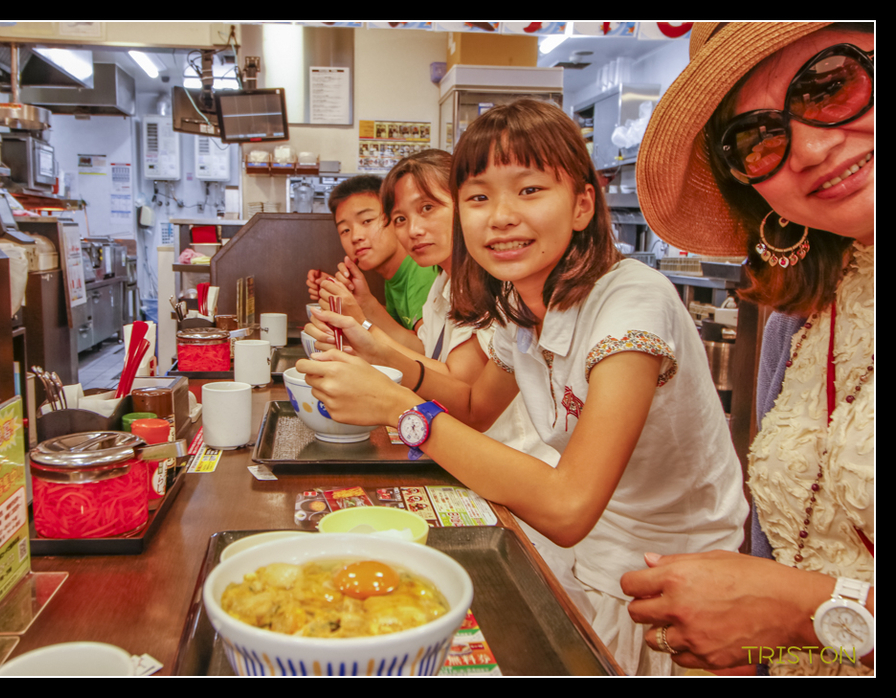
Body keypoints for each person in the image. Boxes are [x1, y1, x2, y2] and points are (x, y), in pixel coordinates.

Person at [298, 99, 746, 675]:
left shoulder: (632, 301)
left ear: (583, 204)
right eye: (479, 197)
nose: (500, 217)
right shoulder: (520, 303)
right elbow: (473, 406)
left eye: (530, 190)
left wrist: (399, 407)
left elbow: (568, 505)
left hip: (675, 586)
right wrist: (379, 354)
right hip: (583, 562)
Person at [622, 22, 874, 676]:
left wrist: (801, 610)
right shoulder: (804, 307)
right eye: (760, 138)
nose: (813, 147)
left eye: (830, 85)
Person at [307, 150, 590, 619]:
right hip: (481, 468)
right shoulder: (448, 286)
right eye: (400, 217)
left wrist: (388, 388)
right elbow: (451, 381)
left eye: (429, 208)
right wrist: (368, 333)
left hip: (521, 480)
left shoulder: (509, 290)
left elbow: (459, 391)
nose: (413, 229)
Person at [307, 175, 437, 352]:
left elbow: (426, 351)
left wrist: (367, 305)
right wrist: (351, 298)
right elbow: (397, 327)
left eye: (367, 220)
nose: (355, 236)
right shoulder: (393, 276)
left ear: (396, 217)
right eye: (345, 230)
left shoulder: (423, 270)